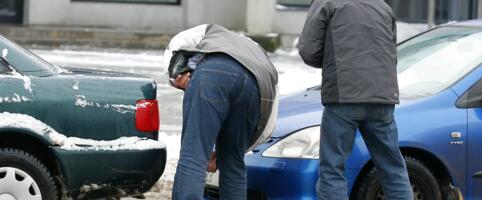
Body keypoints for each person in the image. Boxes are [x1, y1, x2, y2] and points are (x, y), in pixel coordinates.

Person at [298, 0, 414, 200]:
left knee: (333, 170)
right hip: (382, 96)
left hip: (344, 95)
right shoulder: (382, 6)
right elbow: (390, 54)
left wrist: (334, 61)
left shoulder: (327, 2)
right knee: (393, 168)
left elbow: (309, 51)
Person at [164, 24, 279, 199]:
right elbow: (267, 125)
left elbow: (176, 43)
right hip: (256, 88)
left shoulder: (210, 30)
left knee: (193, 157)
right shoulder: (260, 54)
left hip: (213, 73)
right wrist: (235, 149)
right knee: (233, 164)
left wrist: (174, 72)